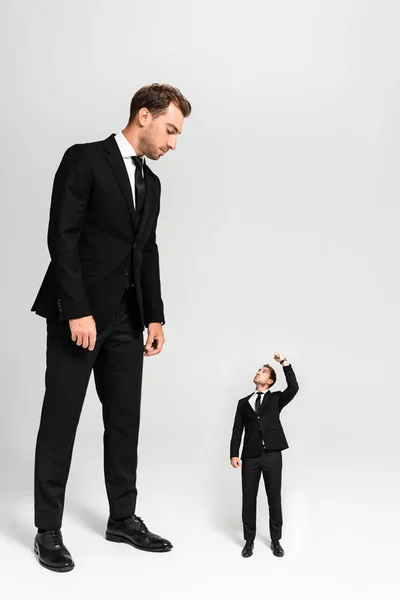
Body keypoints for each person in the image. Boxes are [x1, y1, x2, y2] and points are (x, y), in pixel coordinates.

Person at [31, 83, 192, 572]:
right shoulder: (84, 159)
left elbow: (147, 250)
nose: (173, 143)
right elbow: (62, 236)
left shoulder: (153, 183)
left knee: (125, 422)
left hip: (128, 320)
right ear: (144, 115)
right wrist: (76, 309)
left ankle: (122, 517)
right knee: (61, 421)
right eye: (170, 130)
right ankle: (48, 531)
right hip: (78, 316)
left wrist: (156, 315)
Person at [230, 352, 299, 558]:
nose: (259, 372)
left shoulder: (276, 399)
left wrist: (284, 363)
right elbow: (236, 430)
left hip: (272, 456)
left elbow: (294, 387)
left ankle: (276, 540)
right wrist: (234, 453)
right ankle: (249, 541)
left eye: (264, 371)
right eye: (259, 370)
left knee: (274, 498)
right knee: (248, 499)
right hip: (250, 457)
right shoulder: (243, 403)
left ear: (269, 381)